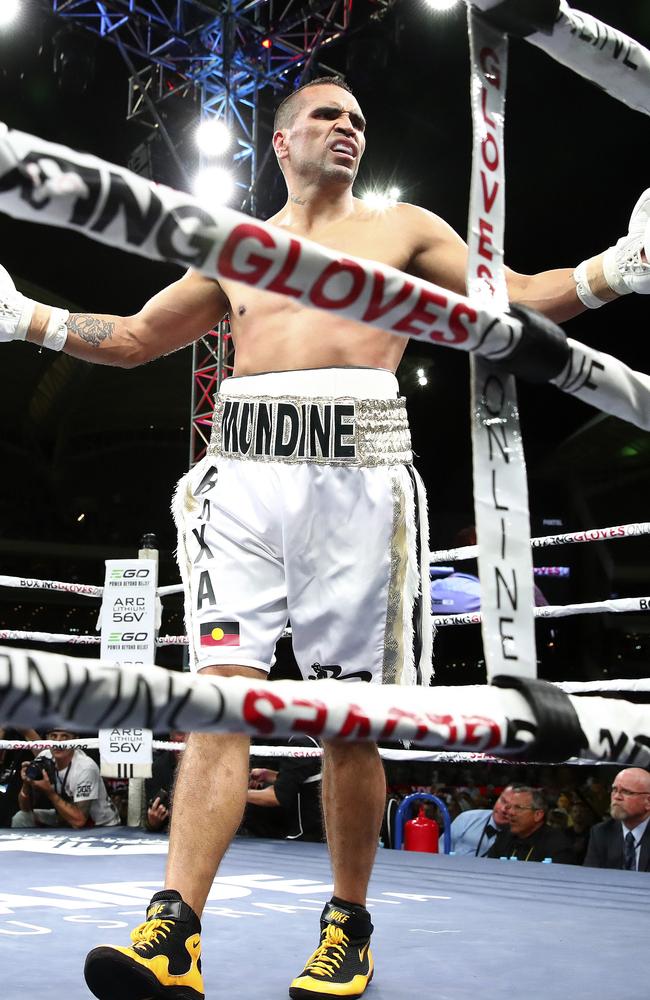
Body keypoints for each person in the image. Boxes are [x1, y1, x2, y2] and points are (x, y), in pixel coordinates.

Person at [2, 75, 649, 1000]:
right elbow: (139, 336)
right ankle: (174, 930)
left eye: (357, 120)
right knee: (221, 701)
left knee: (349, 720)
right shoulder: (239, 246)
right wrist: (26, 317)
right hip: (243, 485)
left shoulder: (403, 231)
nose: (348, 130)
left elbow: (513, 301)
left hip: (356, 485)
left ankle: (348, 927)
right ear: (280, 142)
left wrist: (617, 269)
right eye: (327, 116)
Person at [11, 728, 121, 829]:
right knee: (21, 817)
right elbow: (25, 808)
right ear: (46, 739)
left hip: (100, 825)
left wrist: (49, 792)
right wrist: (26, 783)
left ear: (75, 740)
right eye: (53, 736)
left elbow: (79, 821)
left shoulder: (85, 767)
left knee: (75, 824)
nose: (59, 742)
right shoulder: (44, 757)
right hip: (64, 819)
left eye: (65, 737)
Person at [243, 736, 324, 842]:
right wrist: (267, 774)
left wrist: (233, 793)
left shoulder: (302, 742)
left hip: (308, 835)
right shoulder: (313, 737)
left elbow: (277, 797)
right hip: (319, 827)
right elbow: (298, 778)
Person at [583, 767, 650, 871]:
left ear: (648, 802)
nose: (617, 797)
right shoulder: (601, 833)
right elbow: (590, 879)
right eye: (614, 790)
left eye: (626, 792)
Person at [487, 785, 575, 864]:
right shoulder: (504, 837)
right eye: (510, 807)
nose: (510, 812)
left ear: (538, 815)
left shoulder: (557, 844)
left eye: (518, 807)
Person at [449, 784, 514, 856]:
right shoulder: (467, 819)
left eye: (513, 807)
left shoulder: (521, 835)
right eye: (503, 801)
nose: (503, 810)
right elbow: (441, 852)